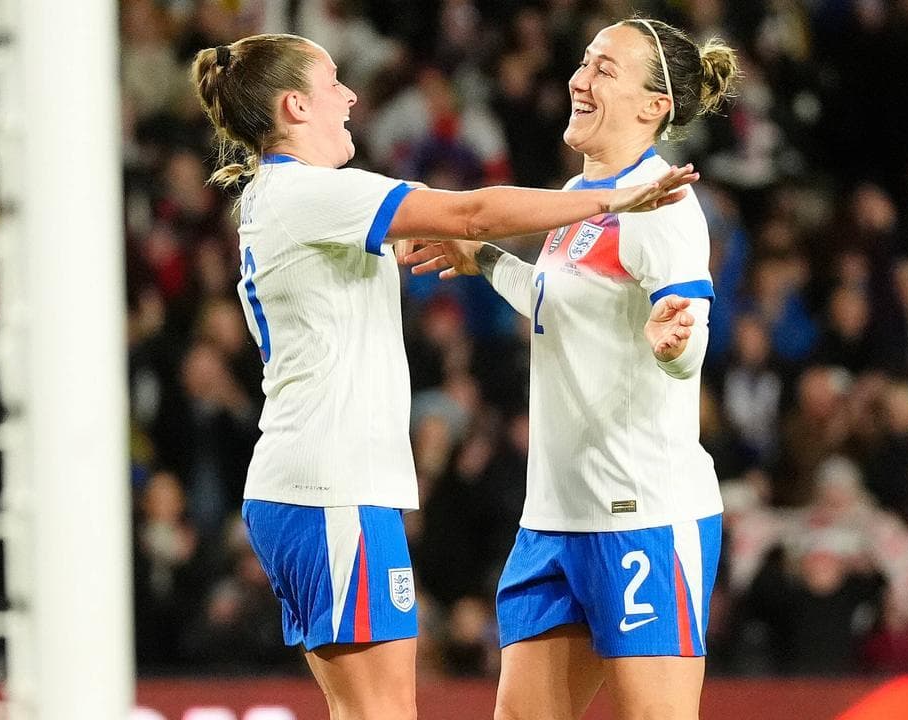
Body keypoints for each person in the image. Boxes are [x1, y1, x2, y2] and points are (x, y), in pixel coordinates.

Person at [189, 33, 697, 720]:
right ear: (295, 105)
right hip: (330, 491)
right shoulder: (308, 192)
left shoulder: (295, 199)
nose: (351, 97)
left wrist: (488, 260)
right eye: (335, 83)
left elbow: (520, 268)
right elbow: (468, 212)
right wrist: (611, 200)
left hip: (319, 486)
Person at [405, 18, 737, 720]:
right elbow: (561, 306)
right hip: (554, 518)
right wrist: (486, 261)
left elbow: (687, 327)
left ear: (654, 107)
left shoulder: (662, 202)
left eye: (606, 70)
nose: (580, 81)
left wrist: (675, 349)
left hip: (640, 514)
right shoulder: (581, 201)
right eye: (584, 63)